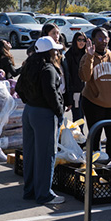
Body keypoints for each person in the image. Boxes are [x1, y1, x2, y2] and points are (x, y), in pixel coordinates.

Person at [17, 35, 65, 206]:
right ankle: (44, 193)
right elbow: (51, 93)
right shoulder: (48, 69)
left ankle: (29, 190)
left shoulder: (29, 65)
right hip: (44, 114)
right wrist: (59, 111)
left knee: (30, 154)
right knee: (46, 155)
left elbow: (18, 88)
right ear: (50, 51)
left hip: (29, 111)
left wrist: (30, 101)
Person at [79, 27, 111, 164]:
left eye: (105, 38)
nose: (103, 41)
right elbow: (85, 77)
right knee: (95, 137)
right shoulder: (87, 57)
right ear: (93, 40)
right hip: (93, 103)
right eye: (99, 38)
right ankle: (93, 168)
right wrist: (90, 57)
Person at [62, 31, 88, 127]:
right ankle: (78, 136)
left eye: (83, 40)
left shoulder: (87, 54)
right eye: (79, 40)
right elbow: (67, 76)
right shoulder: (69, 55)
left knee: (84, 115)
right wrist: (69, 96)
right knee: (77, 116)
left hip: (86, 91)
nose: (81, 42)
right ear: (74, 41)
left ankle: (80, 136)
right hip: (75, 91)